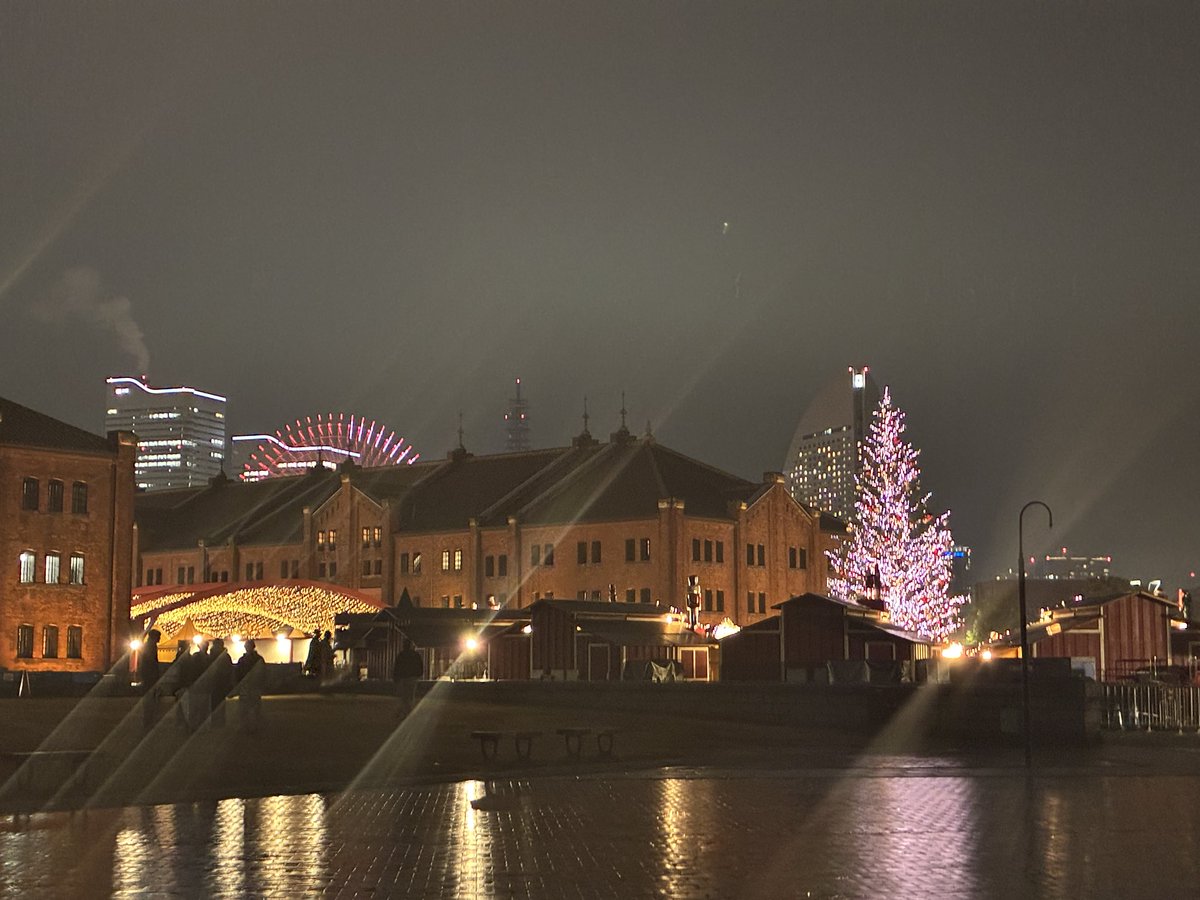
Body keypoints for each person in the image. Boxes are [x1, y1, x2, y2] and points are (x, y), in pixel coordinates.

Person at [234, 639, 266, 733]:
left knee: (246, 708)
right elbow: (263, 672)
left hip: (248, 686)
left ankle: (247, 726)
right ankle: (254, 726)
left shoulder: (243, 660)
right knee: (253, 707)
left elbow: (238, 674)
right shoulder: (258, 659)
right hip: (252, 686)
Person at [206, 638, 235, 729]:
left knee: (214, 703)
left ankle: (216, 722)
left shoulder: (211, 657)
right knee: (219, 703)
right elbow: (230, 671)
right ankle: (219, 721)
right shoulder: (225, 657)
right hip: (220, 684)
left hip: (215, 683)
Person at [391, 637, 423, 718]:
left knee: (403, 696)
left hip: (403, 678)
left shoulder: (401, 655)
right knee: (410, 696)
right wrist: (418, 675)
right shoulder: (416, 655)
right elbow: (420, 666)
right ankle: (408, 712)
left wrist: (395, 678)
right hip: (413, 678)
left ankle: (402, 712)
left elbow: (397, 667)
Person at [138, 629, 162, 730]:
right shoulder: (150, 647)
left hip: (148, 677)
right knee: (149, 702)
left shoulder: (148, 646)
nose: (159, 639)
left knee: (149, 701)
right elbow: (151, 663)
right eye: (158, 637)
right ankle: (148, 722)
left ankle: (148, 721)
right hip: (150, 678)